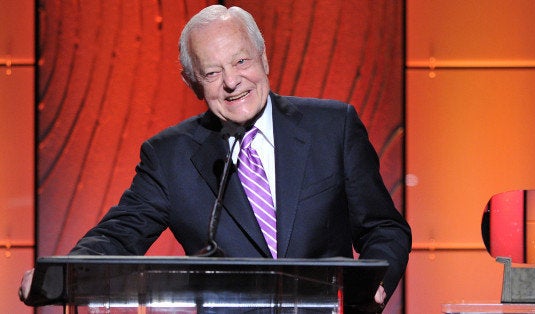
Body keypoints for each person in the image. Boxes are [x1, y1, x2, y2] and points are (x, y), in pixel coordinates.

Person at [20, 4, 411, 309]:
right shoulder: (170, 157)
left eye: (241, 61)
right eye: (211, 72)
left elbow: (384, 228)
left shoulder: (333, 128)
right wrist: (60, 273)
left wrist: (372, 287)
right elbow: (118, 235)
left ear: (263, 58)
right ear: (194, 84)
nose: (231, 82)